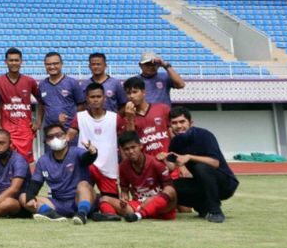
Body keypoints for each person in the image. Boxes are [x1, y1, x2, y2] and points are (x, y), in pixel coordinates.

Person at [166, 106, 238, 223]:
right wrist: (163, 159)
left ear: (191, 123)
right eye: (174, 123)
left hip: (225, 184)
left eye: (182, 122)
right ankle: (202, 207)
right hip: (201, 183)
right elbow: (171, 167)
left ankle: (215, 211)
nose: (179, 126)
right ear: (170, 125)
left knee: (202, 167)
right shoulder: (176, 142)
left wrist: (189, 156)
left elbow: (215, 163)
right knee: (170, 186)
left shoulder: (204, 135)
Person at [23, 123, 98, 224]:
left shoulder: (77, 152)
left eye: (59, 135)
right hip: (58, 204)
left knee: (83, 184)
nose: (55, 139)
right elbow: (35, 184)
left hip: (80, 200)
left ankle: (82, 214)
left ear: (67, 136)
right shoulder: (43, 161)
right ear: (46, 141)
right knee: (24, 197)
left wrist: (93, 152)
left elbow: (87, 158)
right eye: (51, 137)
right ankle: (52, 215)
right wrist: (30, 199)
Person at [69, 82, 121, 219]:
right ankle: (87, 211)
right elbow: (69, 137)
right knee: (80, 194)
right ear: (87, 99)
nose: (96, 99)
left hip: (108, 167)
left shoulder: (114, 117)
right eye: (92, 97)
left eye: (98, 96)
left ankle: (100, 211)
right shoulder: (80, 117)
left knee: (110, 201)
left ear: (104, 98)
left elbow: (125, 140)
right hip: (87, 164)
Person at [0, 47, 41, 162]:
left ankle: (28, 180)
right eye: (11, 60)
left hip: (25, 130)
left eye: (16, 60)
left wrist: (38, 122)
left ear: (21, 61)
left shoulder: (29, 81)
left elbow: (41, 101)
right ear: (6, 62)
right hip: (7, 129)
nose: (14, 63)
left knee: (27, 161)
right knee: (7, 161)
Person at [112, 131, 177, 222]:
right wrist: (124, 198)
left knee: (171, 190)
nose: (131, 151)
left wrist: (153, 199)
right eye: (126, 149)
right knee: (105, 199)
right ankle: (110, 217)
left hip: (160, 207)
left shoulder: (155, 163)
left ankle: (139, 215)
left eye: (133, 147)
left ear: (140, 146)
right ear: (122, 150)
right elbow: (124, 191)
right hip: (139, 205)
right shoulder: (122, 167)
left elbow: (170, 190)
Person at [118, 76, 172, 158]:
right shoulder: (125, 119)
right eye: (128, 93)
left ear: (143, 92)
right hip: (146, 164)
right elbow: (130, 142)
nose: (131, 96)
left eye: (135, 92)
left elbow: (173, 133)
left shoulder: (163, 109)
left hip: (168, 159)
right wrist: (130, 119)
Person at [38, 52, 86, 133]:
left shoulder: (72, 82)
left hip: (69, 131)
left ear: (61, 64)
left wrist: (75, 125)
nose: (52, 67)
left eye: (55, 63)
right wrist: (38, 122)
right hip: (50, 131)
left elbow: (81, 106)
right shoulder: (42, 84)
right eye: (48, 64)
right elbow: (41, 105)